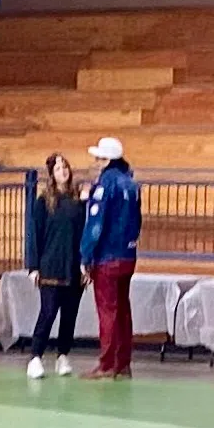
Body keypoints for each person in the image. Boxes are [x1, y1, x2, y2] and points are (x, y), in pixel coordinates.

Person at [81, 136, 144, 379]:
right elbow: (137, 222)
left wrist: (86, 255)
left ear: (107, 159)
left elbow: (96, 225)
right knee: (123, 310)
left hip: (107, 256)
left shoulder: (106, 185)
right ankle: (123, 362)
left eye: (98, 158)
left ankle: (107, 364)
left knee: (107, 311)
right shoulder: (131, 184)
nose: (95, 162)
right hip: (127, 255)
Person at [26, 151, 88, 378]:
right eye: (59, 169)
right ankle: (35, 356)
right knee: (49, 311)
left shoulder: (78, 200)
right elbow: (35, 234)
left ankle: (63, 355)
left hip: (73, 265)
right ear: (52, 174)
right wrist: (33, 267)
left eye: (66, 167)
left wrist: (85, 264)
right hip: (51, 266)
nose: (64, 172)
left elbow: (84, 231)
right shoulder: (44, 202)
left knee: (70, 314)